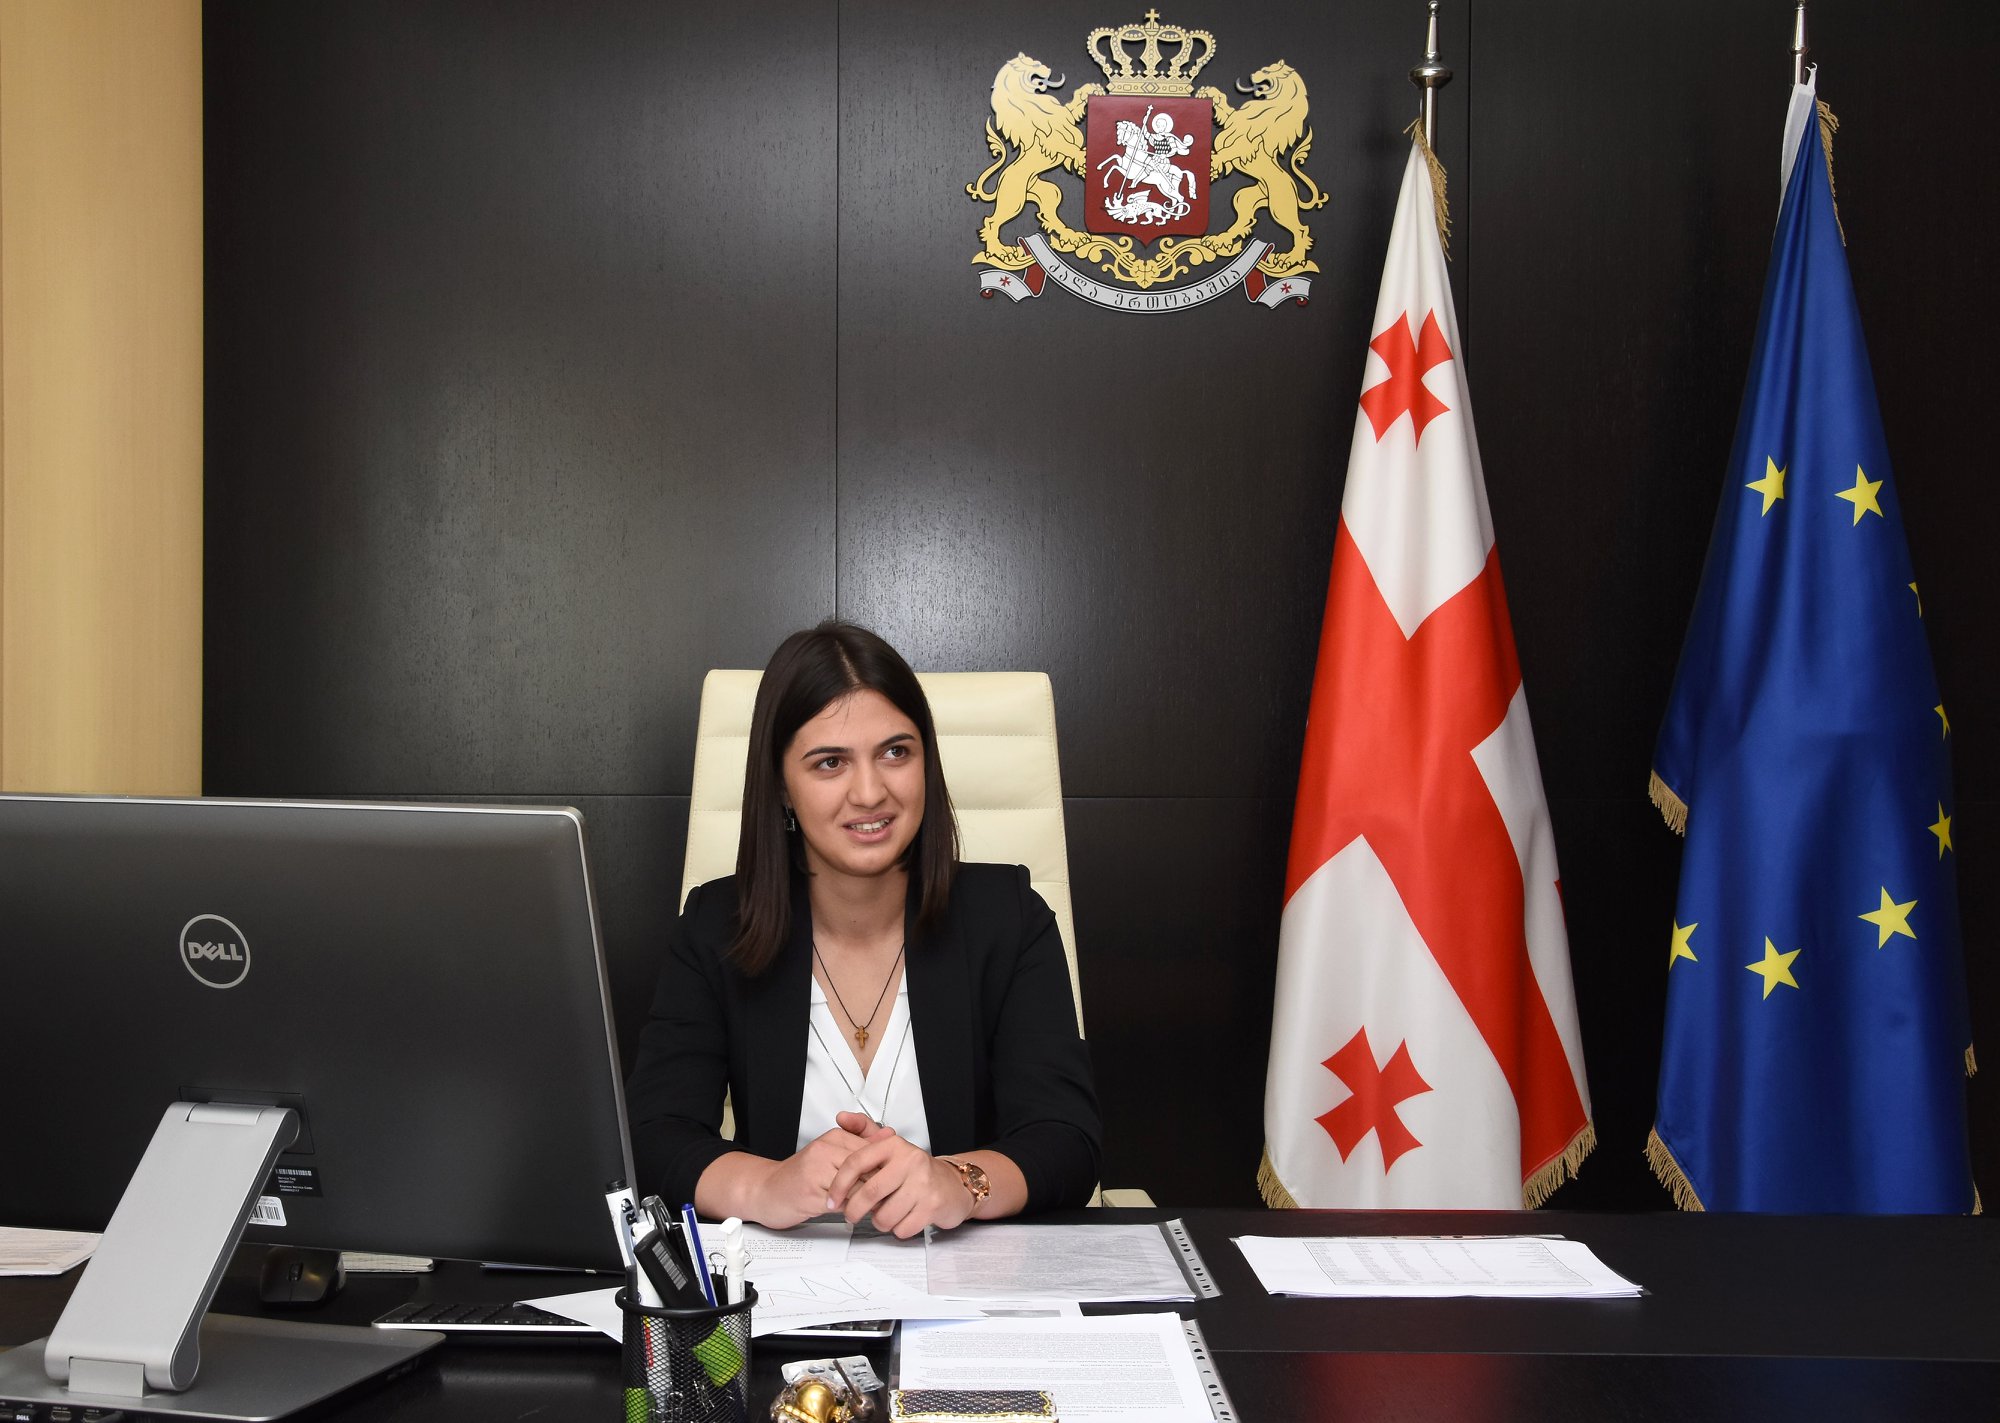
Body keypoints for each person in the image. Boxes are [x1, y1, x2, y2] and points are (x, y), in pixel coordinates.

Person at [626, 621, 1102, 1238]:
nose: (871, 792)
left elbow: (1066, 1140)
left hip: (963, 1277)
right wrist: (765, 1186)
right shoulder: (717, 927)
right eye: (830, 763)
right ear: (782, 786)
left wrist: (960, 1182)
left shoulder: (1009, 918)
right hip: (785, 1284)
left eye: (896, 753)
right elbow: (654, 1135)